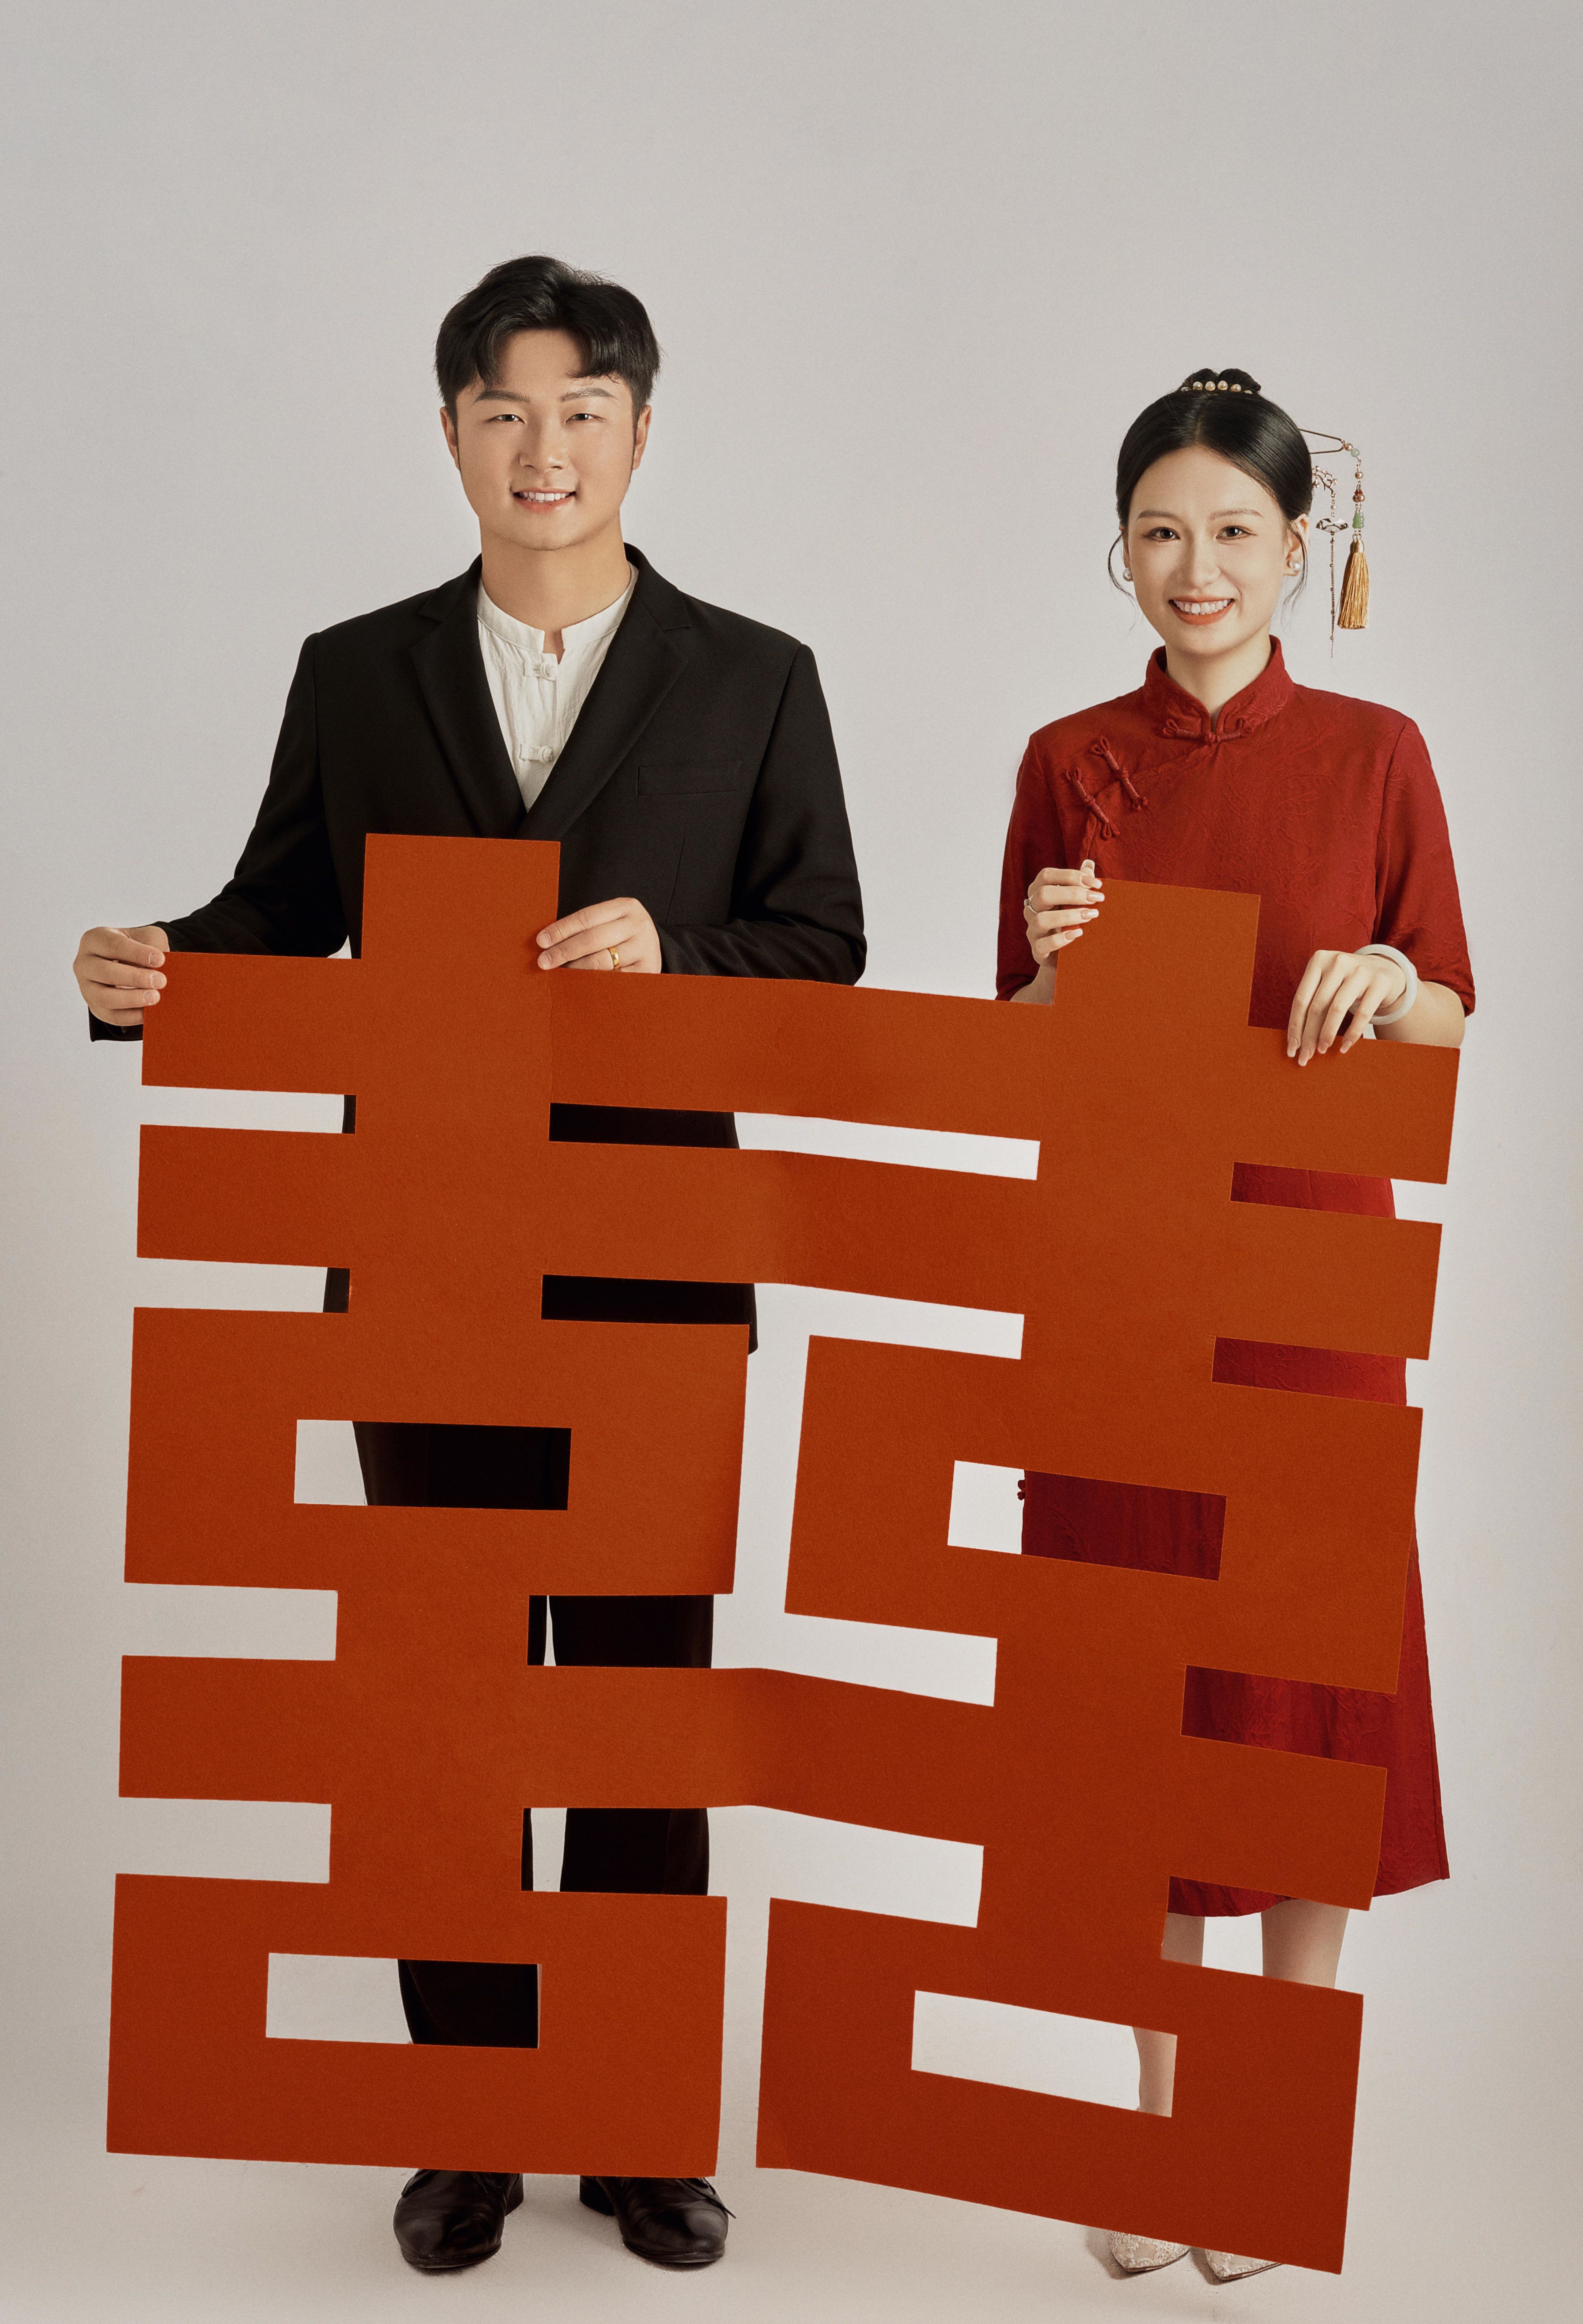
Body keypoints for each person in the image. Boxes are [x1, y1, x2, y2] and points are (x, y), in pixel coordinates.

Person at [74, 254, 864, 2277]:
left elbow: (823, 952)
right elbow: (277, 913)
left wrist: (676, 957)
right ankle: (465, 2123)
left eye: (581, 409)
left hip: (657, 1277)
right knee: (446, 1704)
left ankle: (634, 2119)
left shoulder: (754, 676)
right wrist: (155, 968)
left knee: (637, 1702)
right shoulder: (360, 671)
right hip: (417, 1264)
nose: (544, 447)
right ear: (451, 434)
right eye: (504, 410)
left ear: (641, 431)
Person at [997, 368, 1471, 2284]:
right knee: (1134, 1697)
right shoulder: (1065, 758)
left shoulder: (1374, 753)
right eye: (1161, 531)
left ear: (1299, 548)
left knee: (1297, 1692)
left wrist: (1385, 975)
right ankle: (1155, 2116)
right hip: (1119, 1274)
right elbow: (1012, 1061)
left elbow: (1451, 1006)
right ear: (1118, 545)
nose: (1195, 567)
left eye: (1234, 533)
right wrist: (1048, 975)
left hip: (1307, 1279)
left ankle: (1262, 2122)